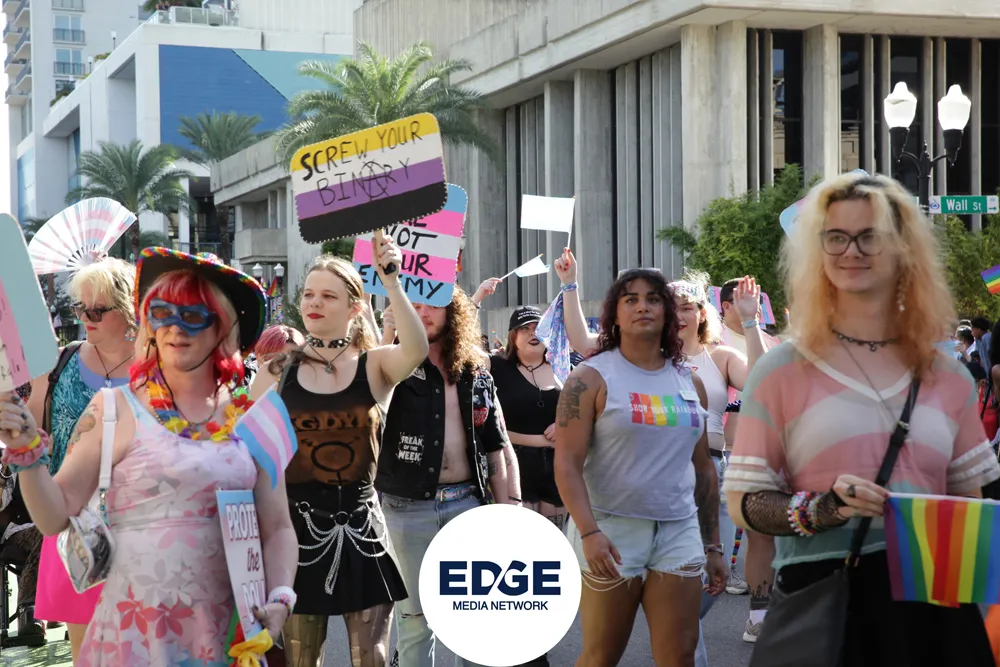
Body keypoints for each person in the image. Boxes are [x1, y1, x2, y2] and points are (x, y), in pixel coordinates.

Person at [723, 172, 1000, 665]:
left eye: (870, 235)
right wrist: (825, 507)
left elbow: (968, 502)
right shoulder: (782, 369)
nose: (852, 250)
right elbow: (745, 502)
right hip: (827, 605)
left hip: (933, 611)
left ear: (903, 249)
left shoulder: (948, 376)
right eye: (836, 237)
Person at [3, 248, 300, 665]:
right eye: (161, 313)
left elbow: (279, 528)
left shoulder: (256, 418)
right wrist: (27, 453)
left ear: (224, 326)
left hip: (227, 637)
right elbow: (55, 516)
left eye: (192, 315)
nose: (174, 327)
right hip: (134, 637)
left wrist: (281, 596)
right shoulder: (113, 409)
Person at [251, 246, 428, 667]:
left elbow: (416, 348)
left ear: (354, 307)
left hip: (364, 532)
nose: (314, 303)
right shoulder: (278, 371)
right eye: (309, 294)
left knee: (373, 658)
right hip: (296, 536)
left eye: (328, 296)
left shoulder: (375, 365)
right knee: (300, 660)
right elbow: (250, 448)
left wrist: (391, 282)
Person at [554, 267, 727, 667]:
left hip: (678, 530)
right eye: (630, 299)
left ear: (668, 313)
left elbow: (703, 469)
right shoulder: (589, 378)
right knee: (601, 656)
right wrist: (589, 532)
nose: (642, 307)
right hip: (611, 530)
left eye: (653, 299)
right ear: (614, 314)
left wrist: (713, 545)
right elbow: (566, 463)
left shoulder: (690, 382)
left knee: (679, 655)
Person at [376, 285, 520, 667]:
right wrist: (387, 335)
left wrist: (510, 511)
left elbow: (497, 447)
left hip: (468, 504)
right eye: (414, 305)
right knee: (415, 624)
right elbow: (367, 399)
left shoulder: (475, 371)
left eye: (433, 305)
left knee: (473, 621)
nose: (423, 313)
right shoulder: (391, 366)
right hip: (405, 510)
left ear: (453, 312)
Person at [12, 257, 137, 661]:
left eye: (96, 310)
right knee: (87, 652)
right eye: (80, 308)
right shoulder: (59, 363)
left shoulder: (155, 369)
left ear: (127, 309)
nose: (85, 318)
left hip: (141, 525)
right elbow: (32, 428)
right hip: (76, 524)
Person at [716, 277, 783, 638]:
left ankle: (761, 616)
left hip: (768, 449)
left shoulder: (768, 342)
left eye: (754, 299)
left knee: (763, 532)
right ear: (724, 305)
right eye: (741, 298)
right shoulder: (713, 342)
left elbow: (771, 386)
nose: (751, 303)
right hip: (721, 452)